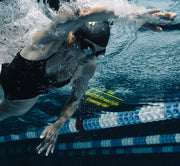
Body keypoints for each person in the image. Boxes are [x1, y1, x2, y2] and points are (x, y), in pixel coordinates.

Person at [0, 6, 177, 156]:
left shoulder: (88, 66)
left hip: (23, 102)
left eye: (98, 53)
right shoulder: (49, 41)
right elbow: (81, 16)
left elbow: (75, 98)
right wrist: (133, 16)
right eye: (88, 49)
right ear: (75, 38)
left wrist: (58, 124)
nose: (91, 57)